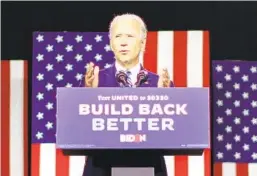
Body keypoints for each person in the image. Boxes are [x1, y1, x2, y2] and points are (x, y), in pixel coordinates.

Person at [82, 13, 174, 176]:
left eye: (130, 36)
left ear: (143, 43)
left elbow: (174, 129)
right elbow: (77, 126)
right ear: (111, 43)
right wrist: (88, 94)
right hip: (102, 167)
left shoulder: (158, 83)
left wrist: (166, 97)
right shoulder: (95, 81)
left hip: (147, 165)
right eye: (118, 36)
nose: (123, 42)